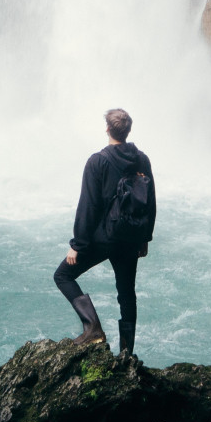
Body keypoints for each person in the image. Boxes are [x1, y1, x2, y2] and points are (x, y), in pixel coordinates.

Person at [54, 107, 155, 356]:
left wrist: (77, 244)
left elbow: (88, 206)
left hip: (104, 238)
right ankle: (126, 353)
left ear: (107, 129)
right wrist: (145, 238)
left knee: (63, 276)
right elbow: (150, 201)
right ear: (128, 130)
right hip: (131, 238)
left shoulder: (97, 161)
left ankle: (93, 329)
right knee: (126, 293)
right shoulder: (142, 159)